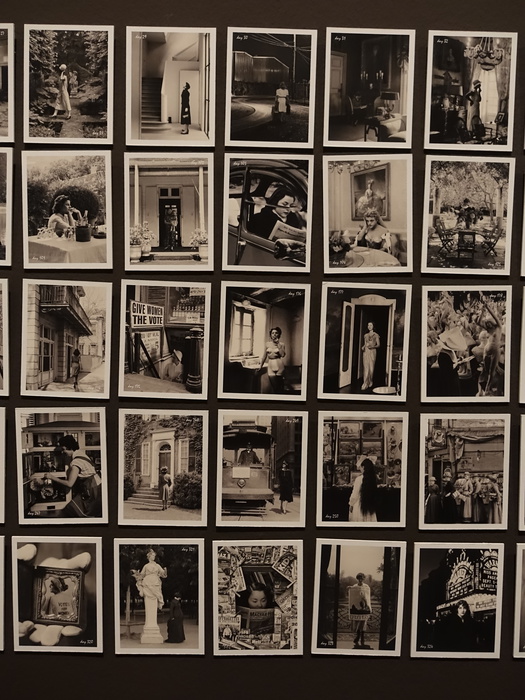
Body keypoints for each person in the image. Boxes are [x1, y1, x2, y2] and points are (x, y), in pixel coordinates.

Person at [41, 435, 102, 518]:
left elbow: (70, 484)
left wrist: (52, 477)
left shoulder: (76, 462)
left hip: (91, 490)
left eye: (64, 449)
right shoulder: (81, 454)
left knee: (71, 510)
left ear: (70, 447)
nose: (63, 452)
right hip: (97, 487)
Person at [258, 327, 286, 393]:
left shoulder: (282, 344)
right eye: (272, 333)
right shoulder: (267, 344)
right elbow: (264, 356)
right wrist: (260, 366)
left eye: (276, 333)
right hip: (270, 366)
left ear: (279, 334)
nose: (274, 334)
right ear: (270, 335)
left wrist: (278, 344)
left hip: (279, 366)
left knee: (279, 388)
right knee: (274, 387)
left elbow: (282, 355)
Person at [349, 457, 378, 522]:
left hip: (359, 507)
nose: (360, 469)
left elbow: (355, 494)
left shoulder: (359, 479)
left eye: (361, 467)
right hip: (370, 507)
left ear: (363, 467)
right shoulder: (373, 479)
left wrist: (351, 504)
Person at [348, 573, 371, 648]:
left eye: (362, 578)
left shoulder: (366, 587)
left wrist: (367, 605)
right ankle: (358, 636)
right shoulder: (355, 586)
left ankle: (362, 638)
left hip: (364, 607)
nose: (360, 580)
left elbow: (367, 596)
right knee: (357, 623)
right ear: (357, 579)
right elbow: (354, 595)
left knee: (363, 623)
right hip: (357, 607)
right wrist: (350, 588)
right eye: (359, 578)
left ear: (363, 579)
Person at [361, 321, 380, 391]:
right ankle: (365, 383)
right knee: (366, 367)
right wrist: (363, 347)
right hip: (366, 352)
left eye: (371, 325)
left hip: (372, 352)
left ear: (373, 326)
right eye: (368, 325)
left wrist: (372, 347)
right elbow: (365, 344)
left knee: (371, 368)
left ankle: (370, 380)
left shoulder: (376, 335)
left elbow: (378, 345)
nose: (369, 326)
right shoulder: (365, 335)